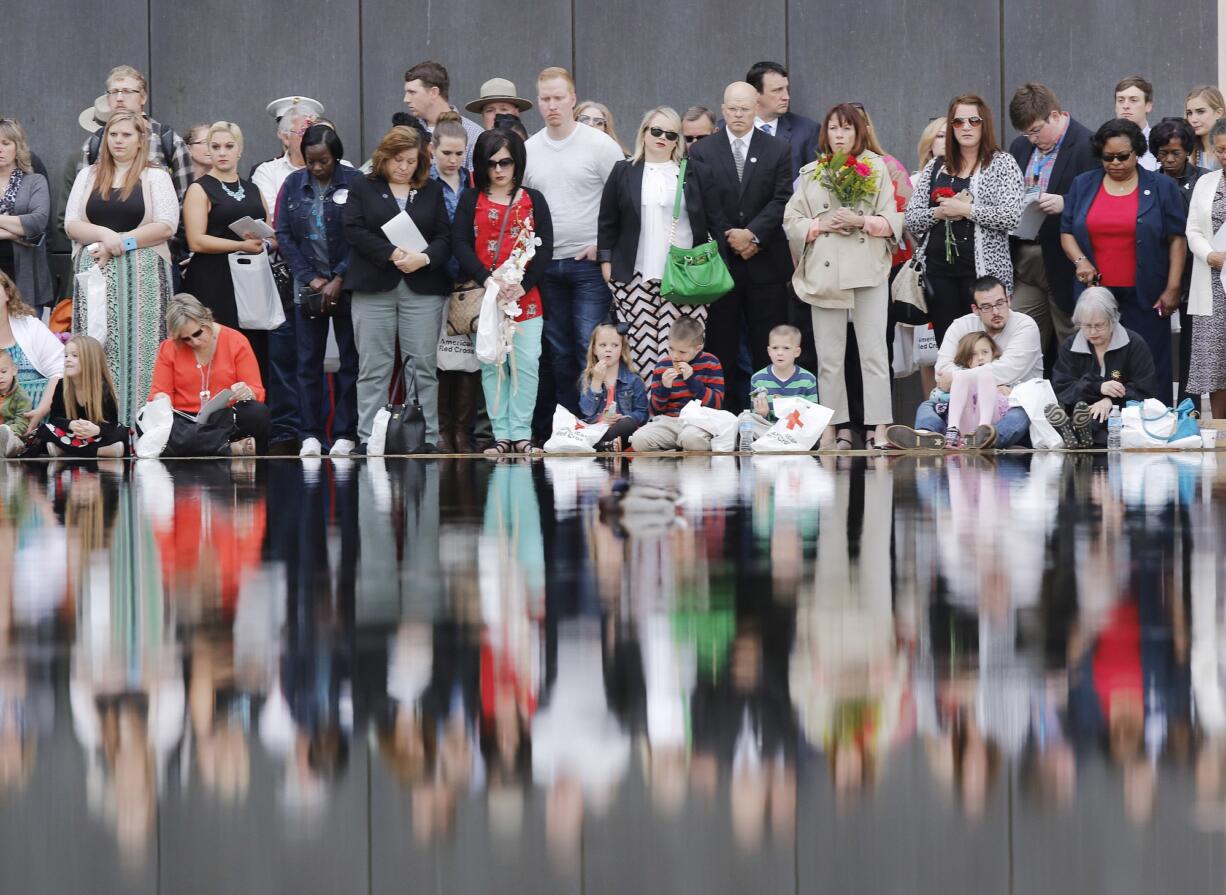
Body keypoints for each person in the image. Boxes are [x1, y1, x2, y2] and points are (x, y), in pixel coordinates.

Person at [784, 103, 903, 449]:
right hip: (826, 272)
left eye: (847, 128)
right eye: (834, 128)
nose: (840, 135)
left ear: (859, 131)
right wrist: (820, 224)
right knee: (829, 356)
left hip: (867, 269)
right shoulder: (811, 173)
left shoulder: (876, 168)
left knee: (874, 352)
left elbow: (893, 220)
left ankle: (880, 426)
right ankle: (831, 429)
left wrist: (861, 222)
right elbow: (792, 221)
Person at [343, 125, 452, 453]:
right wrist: (389, 253)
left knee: (422, 366)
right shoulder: (364, 186)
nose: (403, 167)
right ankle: (370, 438)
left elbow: (445, 237)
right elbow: (352, 228)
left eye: (410, 161)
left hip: (421, 287)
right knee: (374, 365)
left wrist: (424, 258)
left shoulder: (430, 189)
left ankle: (424, 437)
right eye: (397, 161)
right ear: (384, 158)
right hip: (374, 287)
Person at [686, 81, 793, 413]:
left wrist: (753, 235)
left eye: (745, 108)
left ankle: (768, 415)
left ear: (757, 108)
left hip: (766, 262)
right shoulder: (704, 150)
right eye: (732, 108)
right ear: (723, 109)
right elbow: (704, 203)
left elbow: (782, 199)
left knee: (767, 345)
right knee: (721, 345)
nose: (738, 115)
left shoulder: (777, 149)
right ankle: (724, 416)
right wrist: (731, 236)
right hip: (722, 262)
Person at [65, 110, 177, 424]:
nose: (118, 141)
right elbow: (72, 223)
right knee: (96, 347)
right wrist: (104, 235)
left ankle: (141, 426)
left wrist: (123, 242)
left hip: (143, 279)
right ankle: (99, 425)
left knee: (143, 352)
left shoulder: (156, 176)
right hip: (95, 274)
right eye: (113, 135)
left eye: (126, 135)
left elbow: (167, 225)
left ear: (141, 140)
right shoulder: (89, 174)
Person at [1060, 118, 1186, 396]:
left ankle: (1156, 422)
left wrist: (1173, 287)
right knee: (1101, 364)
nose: (1115, 162)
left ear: (1137, 152)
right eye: (1108, 157)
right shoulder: (1083, 184)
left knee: (1151, 361)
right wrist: (1081, 261)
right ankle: (1100, 423)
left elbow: (1177, 238)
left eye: (1122, 156)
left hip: (1147, 293)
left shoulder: (1162, 186)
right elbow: (1066, 231)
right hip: (1096, 295)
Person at [523, 67, 624, 415]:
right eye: (545, 99)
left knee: (590, 346)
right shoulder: (529, 149)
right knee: (558, 350)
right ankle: (569, 422)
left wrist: (604, 245)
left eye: (558, 98)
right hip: (546, 265)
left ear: (572, 99)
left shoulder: (599, 145)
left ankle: (598, 419)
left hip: (588, 265)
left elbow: (624, 199)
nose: (552, 106)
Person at [452, 128, 553, 455]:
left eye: (506, 162)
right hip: (487, 297)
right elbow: (460, 244)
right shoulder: (471, 198)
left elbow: (546, 249)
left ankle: (522, 433)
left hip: (527, 296)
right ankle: (502, 435)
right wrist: (487, 278)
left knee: (526, 364)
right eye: (491, 163)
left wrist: (523, 283)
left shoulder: (533, 200)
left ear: (517, 162)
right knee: (492, 365)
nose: (498, 170)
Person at [598, 106, 719, 375]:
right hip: (635, 276)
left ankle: (681, 411)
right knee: (642, 352)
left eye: (671, 134)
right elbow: (607, 221)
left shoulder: (693, 172)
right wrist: (606, 262)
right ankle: (649, 414)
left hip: (687, 276)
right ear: (643, 132)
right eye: (656, 131)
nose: (662, 137)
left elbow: (713, 220)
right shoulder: (623, 171)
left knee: (682, 351)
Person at [906, 94, 1024, 345]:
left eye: (974, 120)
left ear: (985, 124)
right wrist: (939, 212)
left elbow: (1012, 216)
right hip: (938, 274)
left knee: (986, 348)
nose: (967, 127)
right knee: (949, 347)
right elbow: (912, 219)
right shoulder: (937, 165)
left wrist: (966, 210)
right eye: (959, 122)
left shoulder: (1002, 163)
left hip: (983, 275)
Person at [274, 124, 360, 458]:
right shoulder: (293, 183)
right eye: (310, 161)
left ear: (336, 156)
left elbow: (361, 233)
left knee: (349, 362)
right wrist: (311, 278)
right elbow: (283, 233)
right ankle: (309, 432)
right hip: (308, 287)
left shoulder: (354, 182)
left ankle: (344, 432)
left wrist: (339, 276)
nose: (316, 168)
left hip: (348, 284)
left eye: (323, 161)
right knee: (307, 361)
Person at [886, 276, 1041, 449]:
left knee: (1021, 414)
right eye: (987, 307)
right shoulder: (961, 326)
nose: (996, 312)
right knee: (928, 406)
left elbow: (1008, 369)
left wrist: (960, 378)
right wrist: (978, 382)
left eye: (1000, 303)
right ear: (975, 309)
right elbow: (942, 369)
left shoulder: (1025, 326)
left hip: (1009, 402)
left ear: (1009, 300)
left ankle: (986, 439)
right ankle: (925, 437)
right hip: (964, 406)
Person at [251, 100, 322, 455]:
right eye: (301, 130)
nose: (309, 137)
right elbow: (274, 224)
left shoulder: (345, 170)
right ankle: (285, 430)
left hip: (326, 276)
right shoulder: (268, 172)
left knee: (324, 356)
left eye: (314, 129)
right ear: (284, 137)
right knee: (282, 351)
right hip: (282, 272)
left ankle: (319, 428)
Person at [1007, 84, 1099, 352]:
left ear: (1056, 116)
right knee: (1019, 337)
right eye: (1026, 133)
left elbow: (1100, 200)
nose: (1032, 139)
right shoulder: (1020, 146)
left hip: (1066, 261)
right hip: (1025, 260)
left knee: (1073, 341)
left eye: (1036, 130)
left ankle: (1081, 393)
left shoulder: (1087, 145)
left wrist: (1065, 203)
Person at [181, 122, 274, 379]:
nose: (222, 152)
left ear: (239, 150)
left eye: (229, 146)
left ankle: (252, 408)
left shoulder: (253, 188)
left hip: (251, 278)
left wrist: (265, 242)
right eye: (215, 146)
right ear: (208, 151)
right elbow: (196, 241)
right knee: (216, 347)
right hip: (213, 278)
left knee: (253, 347)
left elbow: (270, 230)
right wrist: (241, 245)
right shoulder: (200, 188)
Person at [150, 294, 270, 456]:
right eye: (186, 339)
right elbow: (158, 395)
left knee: (257, 413)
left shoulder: (235, 341)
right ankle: (227, 447)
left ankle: (193, 445)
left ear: (207, 319)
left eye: (197, 333)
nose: (194, 342)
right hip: (184, 420)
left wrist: (247, 392)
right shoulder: (169, 348)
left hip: (223, 418)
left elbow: (257, 391)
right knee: (154, 423)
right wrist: (161, 398)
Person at [430, 113, 481, 453]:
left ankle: (463, 430)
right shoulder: (424, 184)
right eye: (446, 153)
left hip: (469, 280)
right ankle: (442, 429)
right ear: (432, 149)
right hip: (433, 278)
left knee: (468, 356)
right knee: (435, 357)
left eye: (459, 153)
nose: (453, 160)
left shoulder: (473, 183)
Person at [1051, 287, 1159, 446]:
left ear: (1113, 319)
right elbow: (1061, 388)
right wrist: (1097, 388)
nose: (1092, 332)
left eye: (1099, 325)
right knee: (1089, 421)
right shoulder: (1070, 346)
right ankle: (1079, 431)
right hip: (1082, 411)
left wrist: (1111, 401)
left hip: (1122, 417)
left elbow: (1146, 392)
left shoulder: (1134, 344)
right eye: (1086, 326)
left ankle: (1075, 433)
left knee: (1111, 435)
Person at [1150, 116, 1208, 404]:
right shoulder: (1149, 183)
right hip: (1158, 272)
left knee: (1192, 348)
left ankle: (1190, 409)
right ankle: (1155, 406)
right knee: (1156, 345)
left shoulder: (1205, 180)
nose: (1170, 159)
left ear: (1189, 151)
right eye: (1163, 153)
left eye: (1177, 153)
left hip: (1197, 274)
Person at [74, 65, 190, 201]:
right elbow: (80, 199)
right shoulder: (93, 144)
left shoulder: (168, 140)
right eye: (114, 92)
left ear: (143, 98)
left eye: (127, 91)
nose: (119, 98)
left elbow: (185, 200)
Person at [629, 316, 725, 451]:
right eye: (671, 349)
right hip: (669, 421)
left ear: (698, 348)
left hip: (698, 422)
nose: (675, 356)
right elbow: (655, 411)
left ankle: (686, 455)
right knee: (639, 439)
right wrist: (664, 388)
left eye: (682, 352)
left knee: (691, 439)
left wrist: (691, 380)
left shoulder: (711, 362)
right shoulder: (663, 365)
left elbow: (716, 404)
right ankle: (670, 460)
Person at [1185, 119, 1226, 419]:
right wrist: (1211, 255)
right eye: (1221, 150)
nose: (1225, 156)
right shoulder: (1205, 182)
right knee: (1215, 362)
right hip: (1212, 282)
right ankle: (1221, 430)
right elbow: (1192, 230)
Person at [36, 336, 128, 458]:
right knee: (45, 429)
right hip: (72, 436)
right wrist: (70, 424)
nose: (68, 359)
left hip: (95, 437)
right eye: (66, 356)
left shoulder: (102, 388)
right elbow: (54, 419)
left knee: (121, 431)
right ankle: (101, 452)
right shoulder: (62, 385)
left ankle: (65, 451)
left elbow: (111, 423)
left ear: (90, 360)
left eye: (74, 356)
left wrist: (96, 430)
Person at [0, 119, 53, 309]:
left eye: (6, 143)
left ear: (17, 147)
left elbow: (38, 222)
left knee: (26, 335)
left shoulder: (34, 181)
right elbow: (29, 228)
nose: (0, 149)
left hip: (26, 275)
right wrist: (19, 232)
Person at [0, 271, 64, 425]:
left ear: (7, 293)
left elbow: (60, 369)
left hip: (36, 423)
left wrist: (42, 410)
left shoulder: (30, 327)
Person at [930, 332, 1012, 449]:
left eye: (985, 352)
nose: (980, 358)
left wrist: (998, 388)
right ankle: (952, 431)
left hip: (991, 423)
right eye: (973, 354)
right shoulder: (960, 377)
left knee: (986, 375)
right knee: (961, 375)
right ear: (966, 358)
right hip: (964, 425)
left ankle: (983, 431)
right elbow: (934, 397)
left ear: (993, 354)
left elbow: (1015, 397)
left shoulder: (1002, 376)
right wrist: (955, 394)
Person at [738, 324, 818, 438]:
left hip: (796, 432)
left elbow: (811, 415)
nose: (780, 353)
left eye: (786, 348)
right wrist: (763, 414)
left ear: (797, 352)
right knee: (744, 418)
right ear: (769, 351)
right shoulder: (758, 379)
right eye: (775, 348)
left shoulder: (808, 379)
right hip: (768, 430)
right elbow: (755, 414)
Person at [578, 323, 647, 451]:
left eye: (614, 345)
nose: (608, 349)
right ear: (594, 349)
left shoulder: (634, 380)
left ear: (622, 349)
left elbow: (642, 413)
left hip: (620, 430)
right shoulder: (588, 378)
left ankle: (599, 446)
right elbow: (586, 412)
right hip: (595, 429)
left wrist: (625, 417)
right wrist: (597, 381)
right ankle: (604, 445)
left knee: (628, 425)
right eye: (603, 345)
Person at [403, 61, 484, 169]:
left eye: (412, 92)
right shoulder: (406, 131)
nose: (406, 99)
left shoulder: (473, 135)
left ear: (434, 92)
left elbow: (478, 182)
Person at [745, 61, 820, 178]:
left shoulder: (807, 130)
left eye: (786, 89)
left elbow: (815, 180)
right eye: (777, 90)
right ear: (755, 93)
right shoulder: (726, 129)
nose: (786, 97)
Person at [1114, 76, 1158, 171]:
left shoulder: (1160, 144)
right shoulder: (1104, 144)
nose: (1125, 106)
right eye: (1121, 100)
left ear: (1148, 106)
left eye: (1133, 100)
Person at [464, 77, 533, 130]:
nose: (497, 115)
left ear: (516, 113)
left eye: (504, 109)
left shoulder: (532, 145)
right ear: (483, 116)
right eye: (490, 110)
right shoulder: (474, 147)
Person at [1186, 86, 1225, 171]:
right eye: (1189, 113)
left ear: (1219, 113)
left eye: (1200, 111)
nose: (1193, 119)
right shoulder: (1189, 153)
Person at [0, 351, 31, 456]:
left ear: (14, 370)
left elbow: (22, 423)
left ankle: (11, 448)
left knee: (16, 442)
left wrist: (9, 431)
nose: (0, 376)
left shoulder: (20, 396)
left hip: (13, 433)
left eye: (3, 372)